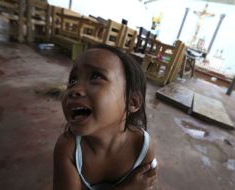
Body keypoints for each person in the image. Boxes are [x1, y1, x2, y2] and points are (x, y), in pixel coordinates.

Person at [53, 44, 157, 190]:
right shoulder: (68, 148)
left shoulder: (141, 147)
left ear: (131, 102)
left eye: (96, 76)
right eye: (73, 80)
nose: (74, 89)